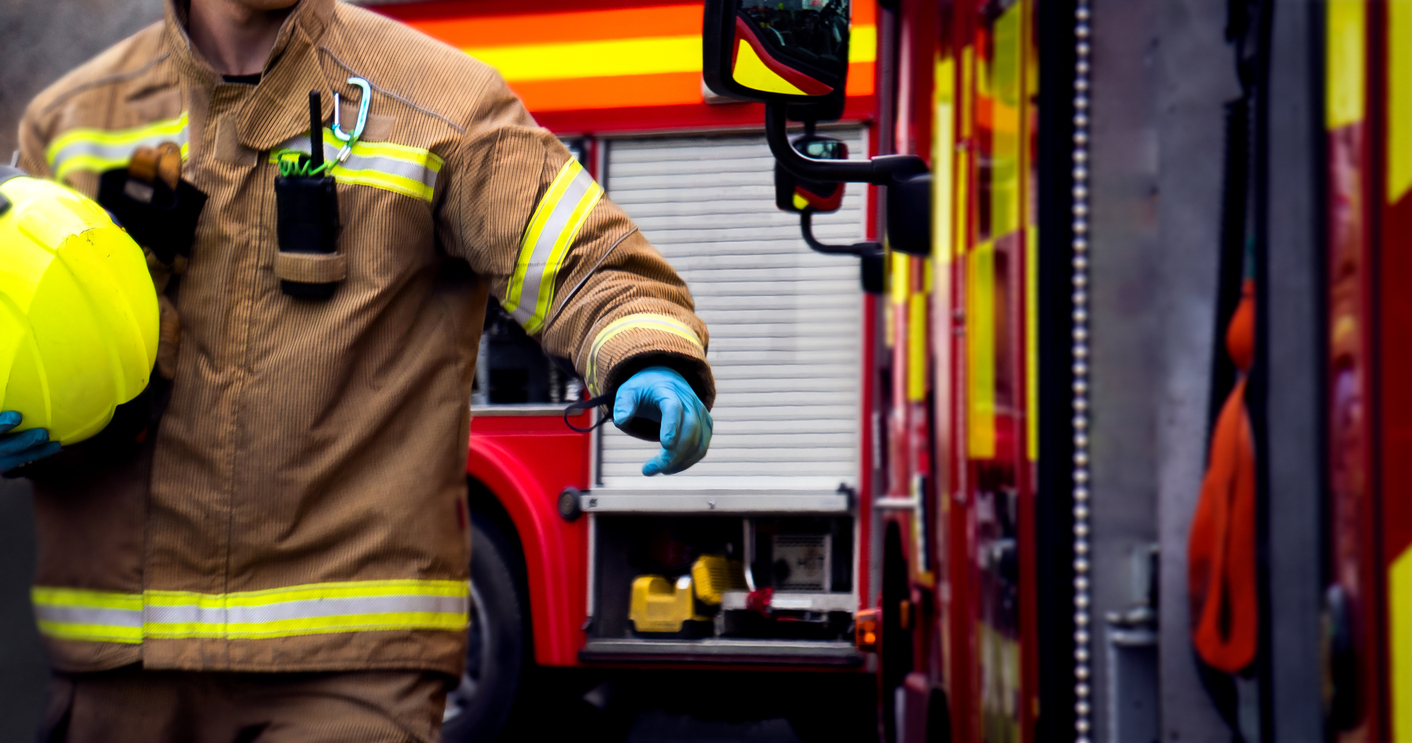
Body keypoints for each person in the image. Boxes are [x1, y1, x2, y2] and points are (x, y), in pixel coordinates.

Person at [11, 0, 715, 740]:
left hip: (346, 679)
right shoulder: (77, 121)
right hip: (114, 675)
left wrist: (647, 351)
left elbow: (589, 258)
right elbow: (17, 310)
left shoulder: (438, 101)